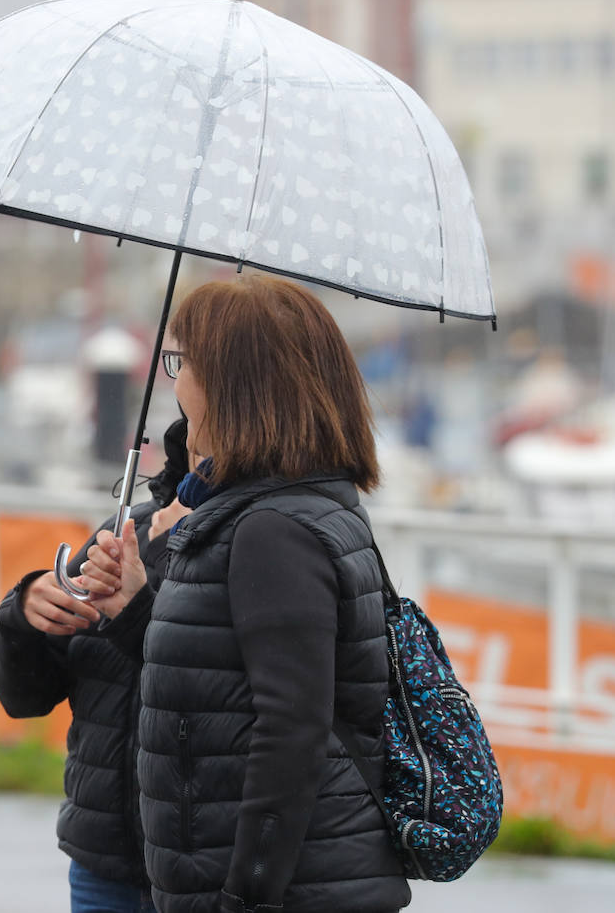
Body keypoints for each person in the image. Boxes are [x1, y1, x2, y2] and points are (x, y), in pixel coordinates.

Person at [80, 276, 411, 913]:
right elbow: (220, 687)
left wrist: (246, 895)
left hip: (283, 890)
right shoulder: (288, 506)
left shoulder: (272, 529)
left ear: (233, 383)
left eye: (181, 362)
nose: (175, 385)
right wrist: (136, 610)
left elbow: (291, 732)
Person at [0, 417, 191, 913]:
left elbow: (215, 686)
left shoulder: (258, 536)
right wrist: (25, 612)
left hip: (200, 867)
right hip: (103, 861)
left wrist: (138, 607)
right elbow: (26, 697)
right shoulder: (128, 529)